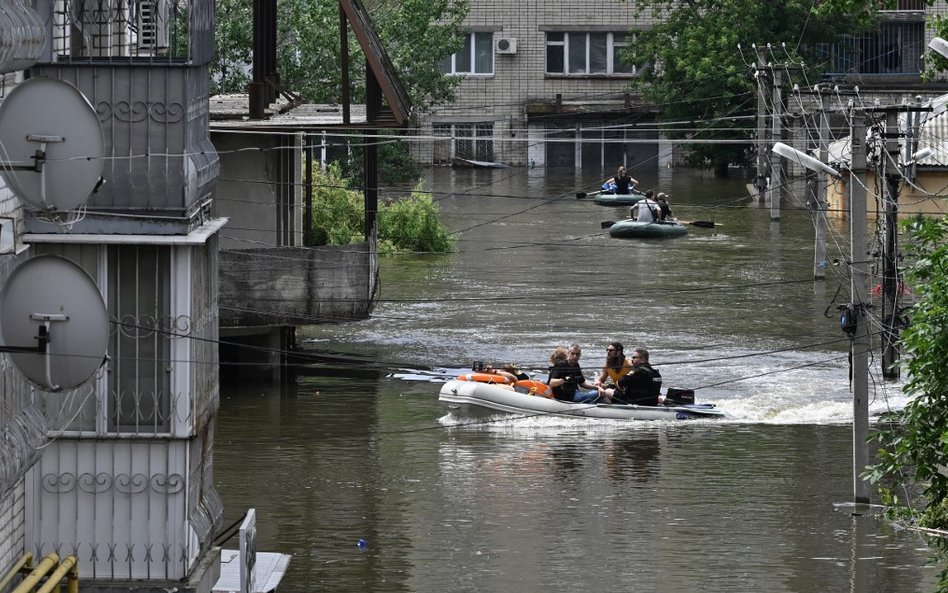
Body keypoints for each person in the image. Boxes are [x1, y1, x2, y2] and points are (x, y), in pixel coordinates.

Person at [598, 347, 662, 406]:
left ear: (642, 359)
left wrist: (618, 388)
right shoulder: (656, 373)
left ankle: (613, 411)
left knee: (607, 391)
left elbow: (619, 383)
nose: (632, 360)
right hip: (652, 403)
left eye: (634, 357)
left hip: (636, 403)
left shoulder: (637, 372)